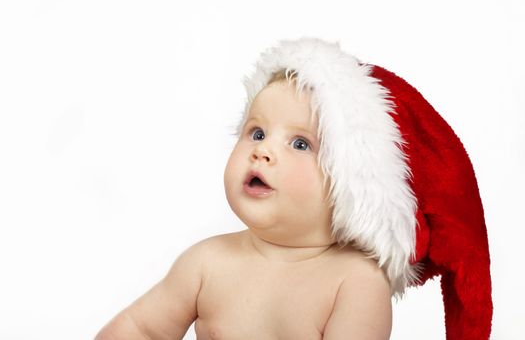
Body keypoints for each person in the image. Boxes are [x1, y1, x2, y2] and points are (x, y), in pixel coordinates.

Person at [95, 37, 493, 340]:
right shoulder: (206, 262)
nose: (263, 150)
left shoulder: (354, 282)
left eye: (300, 143)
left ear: (355, 186)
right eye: (256, 132)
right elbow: (141, 328)